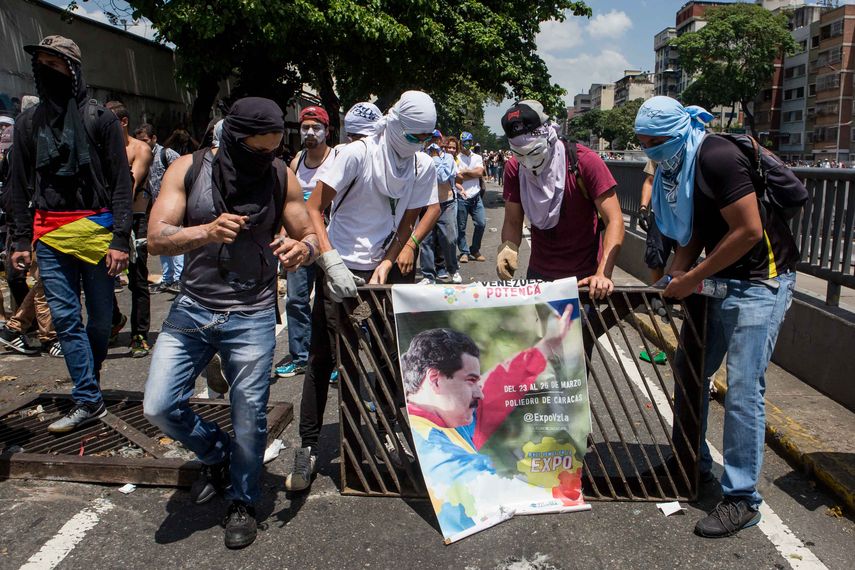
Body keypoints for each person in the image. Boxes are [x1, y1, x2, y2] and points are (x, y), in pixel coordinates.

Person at [143, 97, 319, 549]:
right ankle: (216, 453)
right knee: (158, 406)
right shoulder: (189, 169)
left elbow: (309, 234)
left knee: (249, 414)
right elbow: (156, 238)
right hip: (193, 307)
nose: (266, 158)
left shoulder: (281, 175)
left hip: (254, 311)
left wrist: (305, 252)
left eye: (274, 148)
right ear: (234, 138)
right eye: (256, 149)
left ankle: (242, 498)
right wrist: (204, 231)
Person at [634, 96, 798, 538]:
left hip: (759, 283)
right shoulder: (677, 165)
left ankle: (742, 499)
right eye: (642, 143)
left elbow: (747, 230)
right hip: (717, 282)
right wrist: (678, 269)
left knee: (744, 390)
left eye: (654, 142)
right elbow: (698, 228)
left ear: (676, 134)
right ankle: (690, 463)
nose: (648, 151)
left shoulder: (717, 156)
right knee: (689, 371)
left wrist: (692, 277)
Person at [286, 90, 439, 492]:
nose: (420, 144)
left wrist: (388, 262)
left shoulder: (421, 165)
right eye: (414, 135)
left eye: (427, 137)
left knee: (393, 355)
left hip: (381, 267)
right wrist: (330, 261)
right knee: (326, 355)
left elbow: (409, 219)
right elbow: (313, 208)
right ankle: (307, 446)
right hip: (340, 262)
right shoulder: (356, 154)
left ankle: (390, 428)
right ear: (395, 125)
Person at [7, 35, 133, 433]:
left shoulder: (101, 119)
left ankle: (88, 382)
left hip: (97, 231)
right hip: (49, 232)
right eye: (42, 63)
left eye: (56, 63)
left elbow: (120, 183)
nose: (48, 70)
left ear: (73, 70)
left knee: (99, 321)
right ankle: (87, 398)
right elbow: (17, 186)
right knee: (64, 318)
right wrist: (21, 239)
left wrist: (119, 239)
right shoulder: (30, 123)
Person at [401, 305, 574, 534]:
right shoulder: (436, 448)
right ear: (435, 380)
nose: (479, 392)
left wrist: (547, 346)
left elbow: (499, 384)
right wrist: (556, 494)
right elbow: (478, 482)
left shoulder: (449, 414)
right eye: (471, 380)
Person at [497, 100, 624, 298]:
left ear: (548, 134)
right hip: (539, 273)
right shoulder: (515, 168)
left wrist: (603, 273)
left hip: (584, 277)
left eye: (533, 152)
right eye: (521, 155)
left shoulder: (585, 162)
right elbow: (513, 221)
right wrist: (508, 248)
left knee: (584, 329)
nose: (529, 162)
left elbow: (614, 219)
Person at [275, 106, 335, 379]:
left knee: (331, 302)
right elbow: (287, 200)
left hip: (329, 242)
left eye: (316, 128)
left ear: (327, 131)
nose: (310, 133)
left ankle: (334, 359)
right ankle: (300, 357)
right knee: (296, 300)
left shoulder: (337, 159)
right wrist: (282, 235)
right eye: (305, 128)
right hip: (299, 242)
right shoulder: (297, 161)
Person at [106, 101, 153, 357]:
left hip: (135, 217)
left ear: (123, 122)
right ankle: (114, 320)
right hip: (107, 217)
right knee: (103, 276)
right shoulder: (102, 148)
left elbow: (129, 187)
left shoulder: (140, 149)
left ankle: (139, 334)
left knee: (137, 279)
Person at [134, 123, 182, 294]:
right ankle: (168, 279)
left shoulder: (166, 154)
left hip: (173, 205)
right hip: (155, 205)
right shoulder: (142, 156)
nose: (143, 144)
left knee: (175, 240)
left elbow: (184, 172)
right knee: (162, 243)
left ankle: (179, 279)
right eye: (140, 141)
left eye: (146, 140)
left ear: (154, 138)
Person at [419, 138, 461, 284]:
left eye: (436, 140)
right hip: (427, 204)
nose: (433, 143)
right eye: (430, 140)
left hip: (446, 204)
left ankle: (453, 270)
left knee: (449, 238)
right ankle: (428, 275)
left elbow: (442, 177)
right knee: (426, 240)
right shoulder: (420, 157)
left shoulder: (448, 158)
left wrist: (435, 157)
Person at [638, 159, 677, 284]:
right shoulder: (658, 152)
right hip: (660, 214)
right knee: (655, 256)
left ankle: (679, 292)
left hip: (684, 216)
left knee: (686, 257)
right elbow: (650, 181)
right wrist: (643, 208)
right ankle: (657, 292)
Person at [455, 131, 486, 263]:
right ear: (460, 143)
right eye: (463, 143)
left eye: (468, 142)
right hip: (461, 196)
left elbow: (480, 172)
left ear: (471, 143)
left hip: (476, 196)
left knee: (481, 223)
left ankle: (475, 249)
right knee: (461, 227)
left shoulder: (477, 157)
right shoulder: (456, 158)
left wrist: (466, 172)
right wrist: (471, 174)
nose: (465, 145)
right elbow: (458, 177)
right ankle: (464, 252)